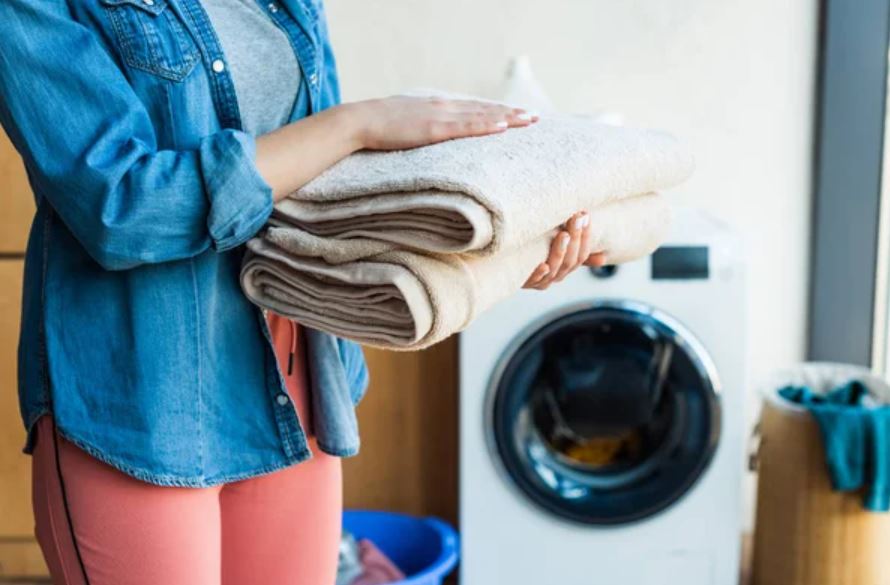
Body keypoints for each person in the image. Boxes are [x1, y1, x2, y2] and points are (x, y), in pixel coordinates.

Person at [0, 1, 605, 583]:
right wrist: (356, 124)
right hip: (144, 400)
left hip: (295, 379)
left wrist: (494, 251)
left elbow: (329, 189)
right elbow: (124, 209)